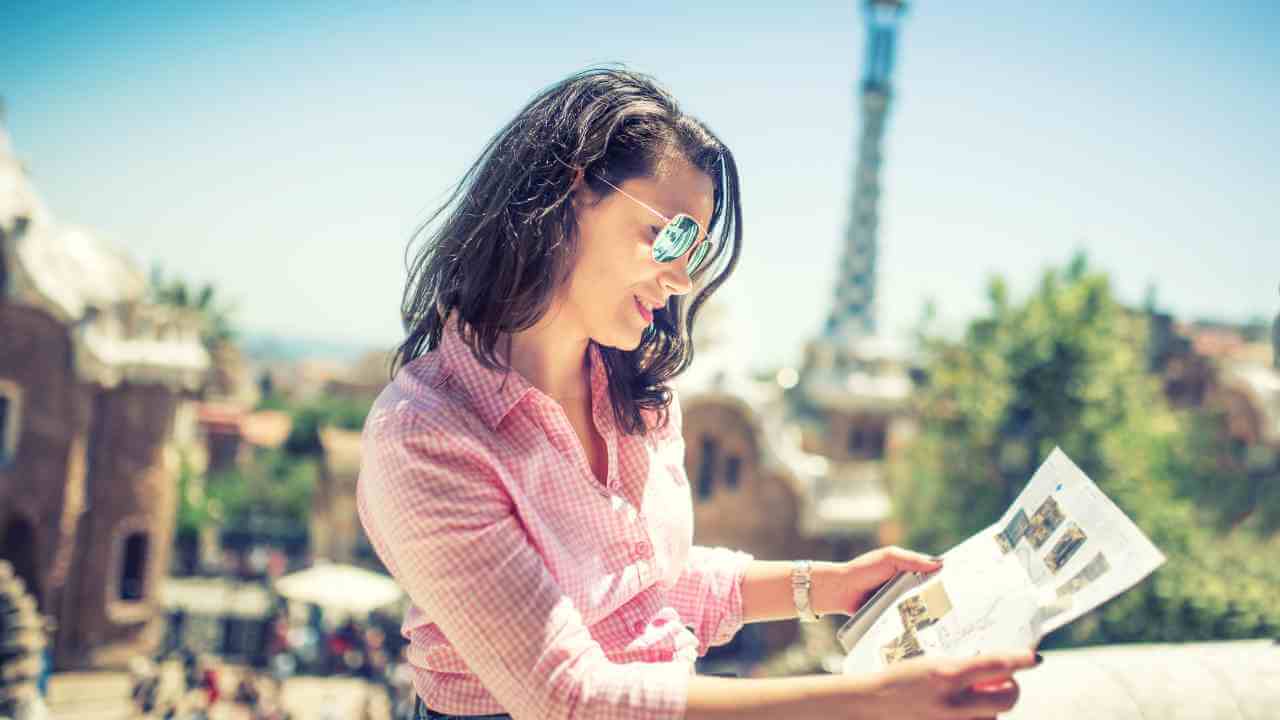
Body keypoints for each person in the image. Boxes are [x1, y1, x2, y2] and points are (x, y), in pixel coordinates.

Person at [355, 66, 1040, 720]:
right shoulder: (428, 432)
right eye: (672, 235)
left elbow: (653, 584)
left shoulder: (639, 393)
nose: (682, 279)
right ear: (571, 194)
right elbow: (570, 700)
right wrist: (865, 703)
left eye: (699, 250)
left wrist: (829, 587)